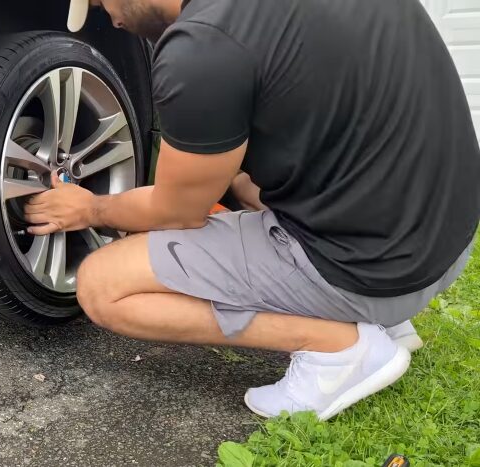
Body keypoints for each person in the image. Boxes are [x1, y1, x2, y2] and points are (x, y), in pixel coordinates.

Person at [25, 0, 480, 420]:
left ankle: (341, 350)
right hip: (445, 241)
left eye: (102, 3)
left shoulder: (203, 48)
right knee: (239, 180)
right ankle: (391, 322)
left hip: (374, 270)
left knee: (103, 287)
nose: (111, 19)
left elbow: (177, 211)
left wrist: (92, 208)